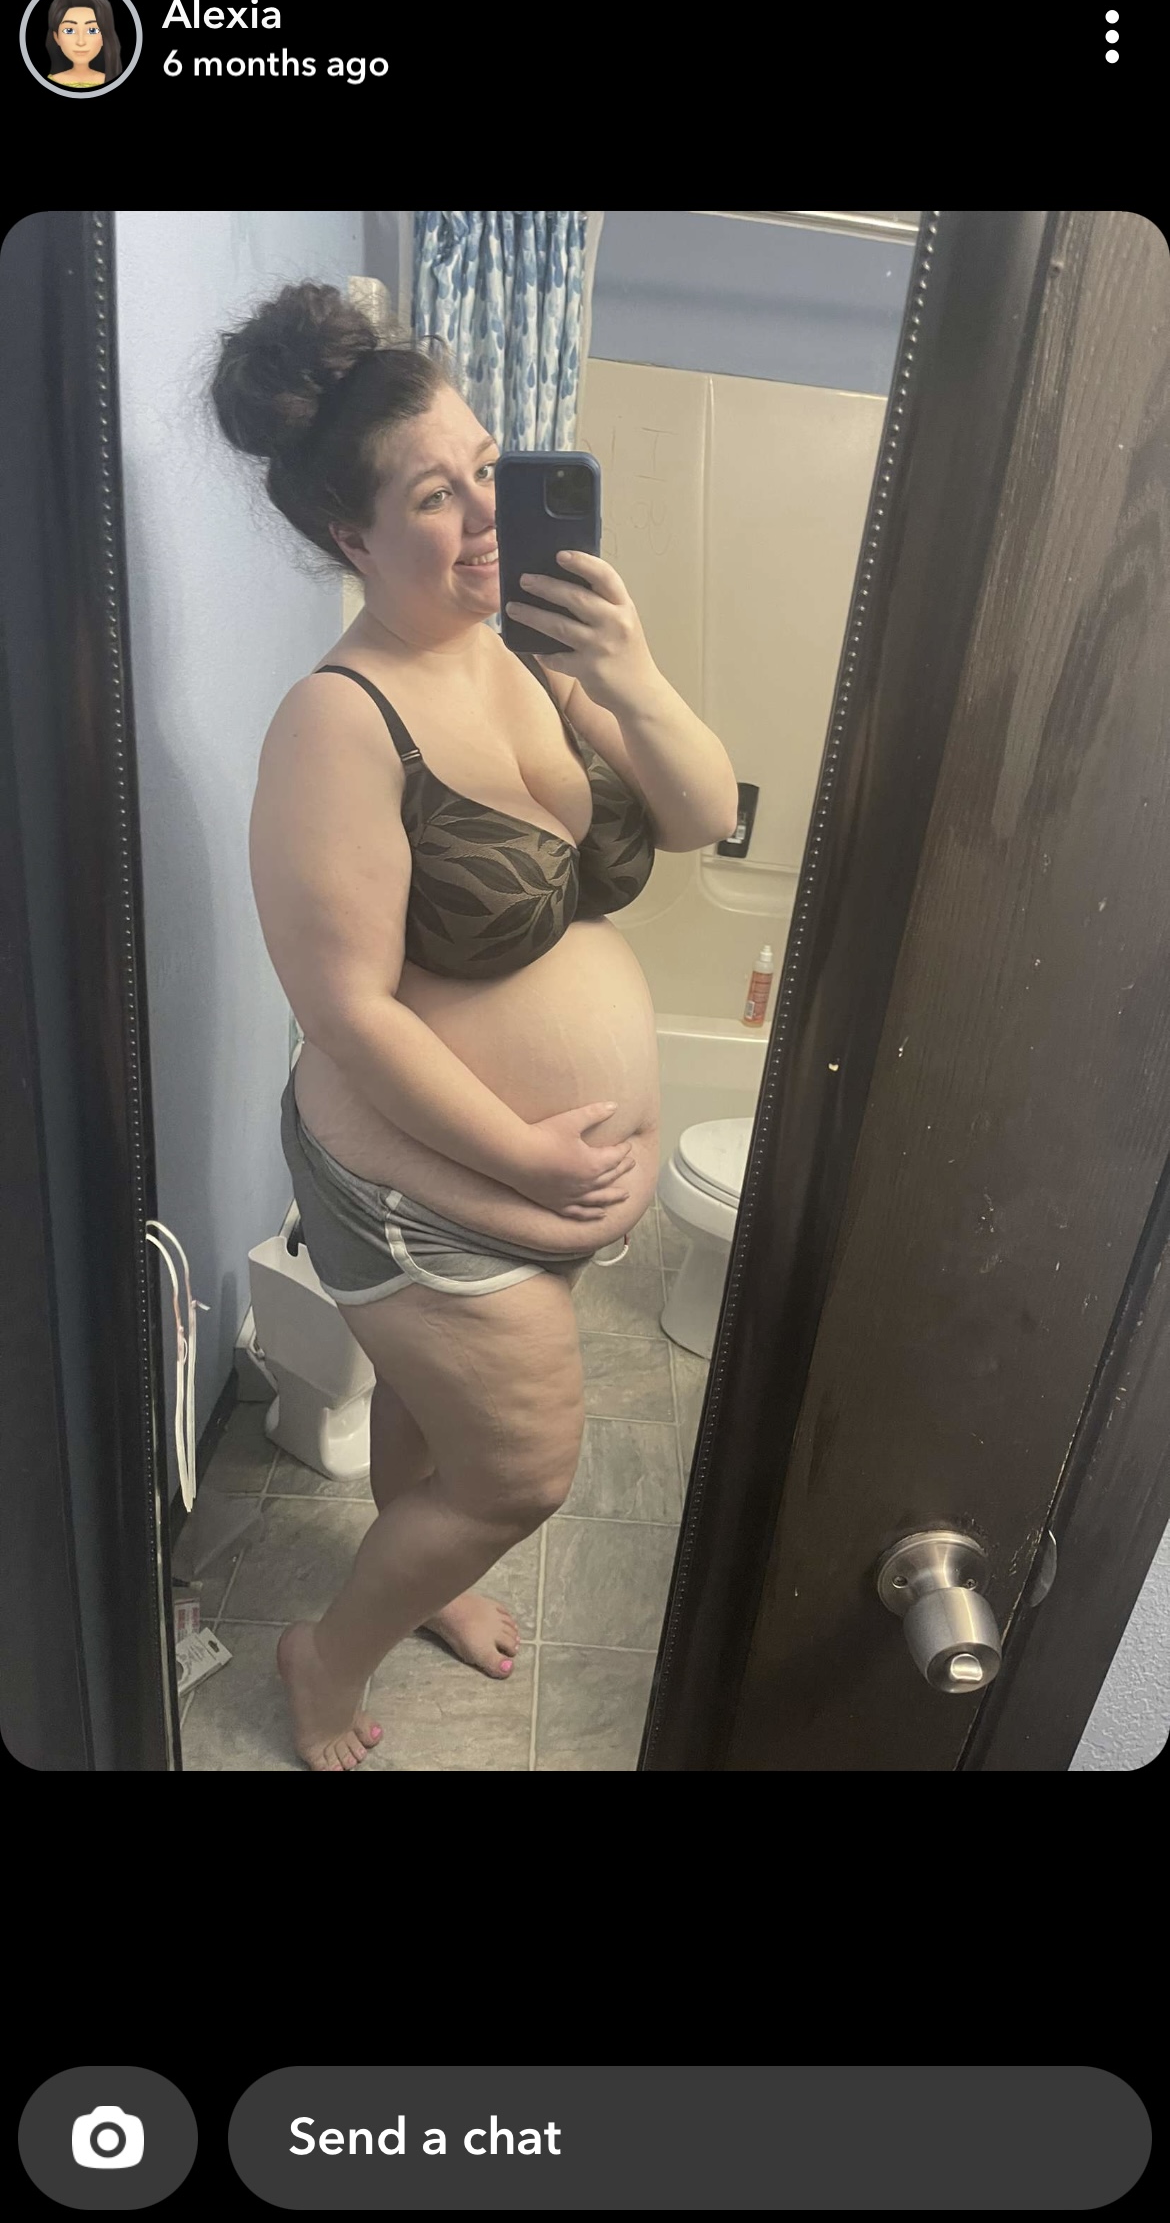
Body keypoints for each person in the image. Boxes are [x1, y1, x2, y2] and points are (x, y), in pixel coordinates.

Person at [209, 280, 740, 1768]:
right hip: (418, 1177)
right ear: (352, 537)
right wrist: (525, 1155)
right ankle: (324, 1657)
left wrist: (630, 675)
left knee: (431, 1419)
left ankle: (422, 1572)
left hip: (504, 1166)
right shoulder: (339, 719)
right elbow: (345, 1010)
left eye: (487, 465)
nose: (489, 512)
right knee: (516, 1473)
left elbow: (702, 816)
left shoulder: (526, 653)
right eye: (436, 496)